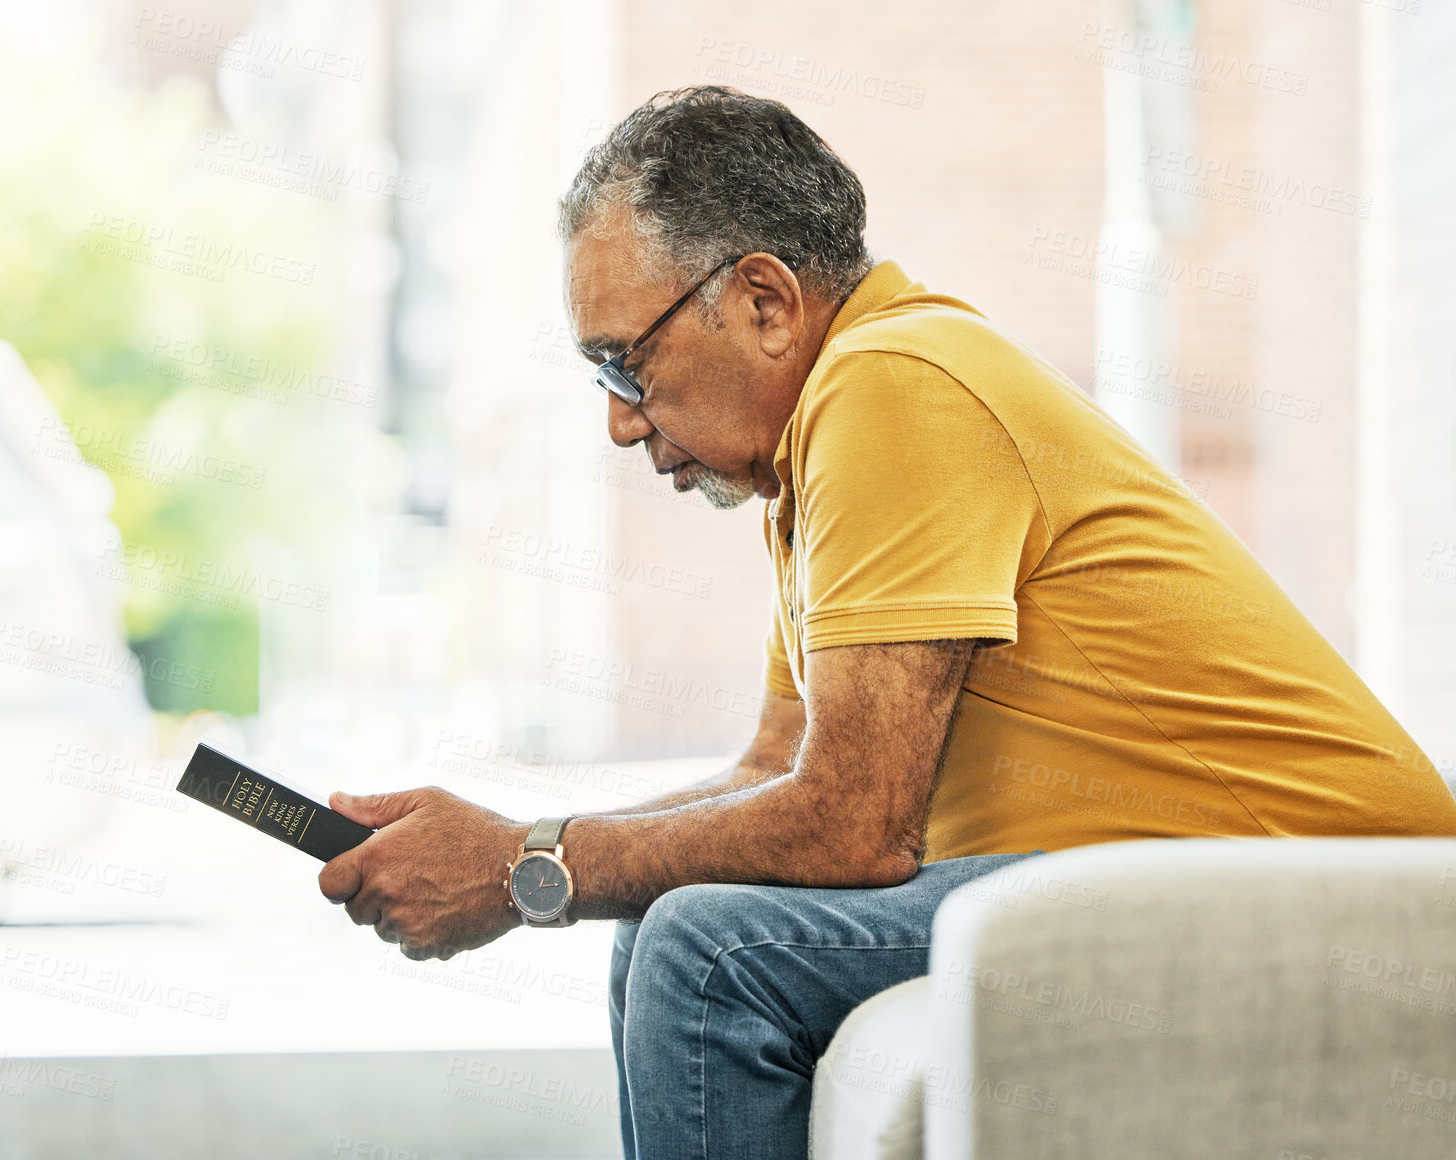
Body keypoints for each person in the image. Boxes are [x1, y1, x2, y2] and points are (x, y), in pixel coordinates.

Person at [318, 85, 1456, 1160]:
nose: (622, 424)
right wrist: (517, 834)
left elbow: (852, 826)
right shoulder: (815, 452)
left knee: (705, 952)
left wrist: (525, 869)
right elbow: (772, 774)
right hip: (1178, 874)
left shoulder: (892, 381)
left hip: (1316, 892)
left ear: (765, 302)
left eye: (627, 362)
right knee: (662, 923)